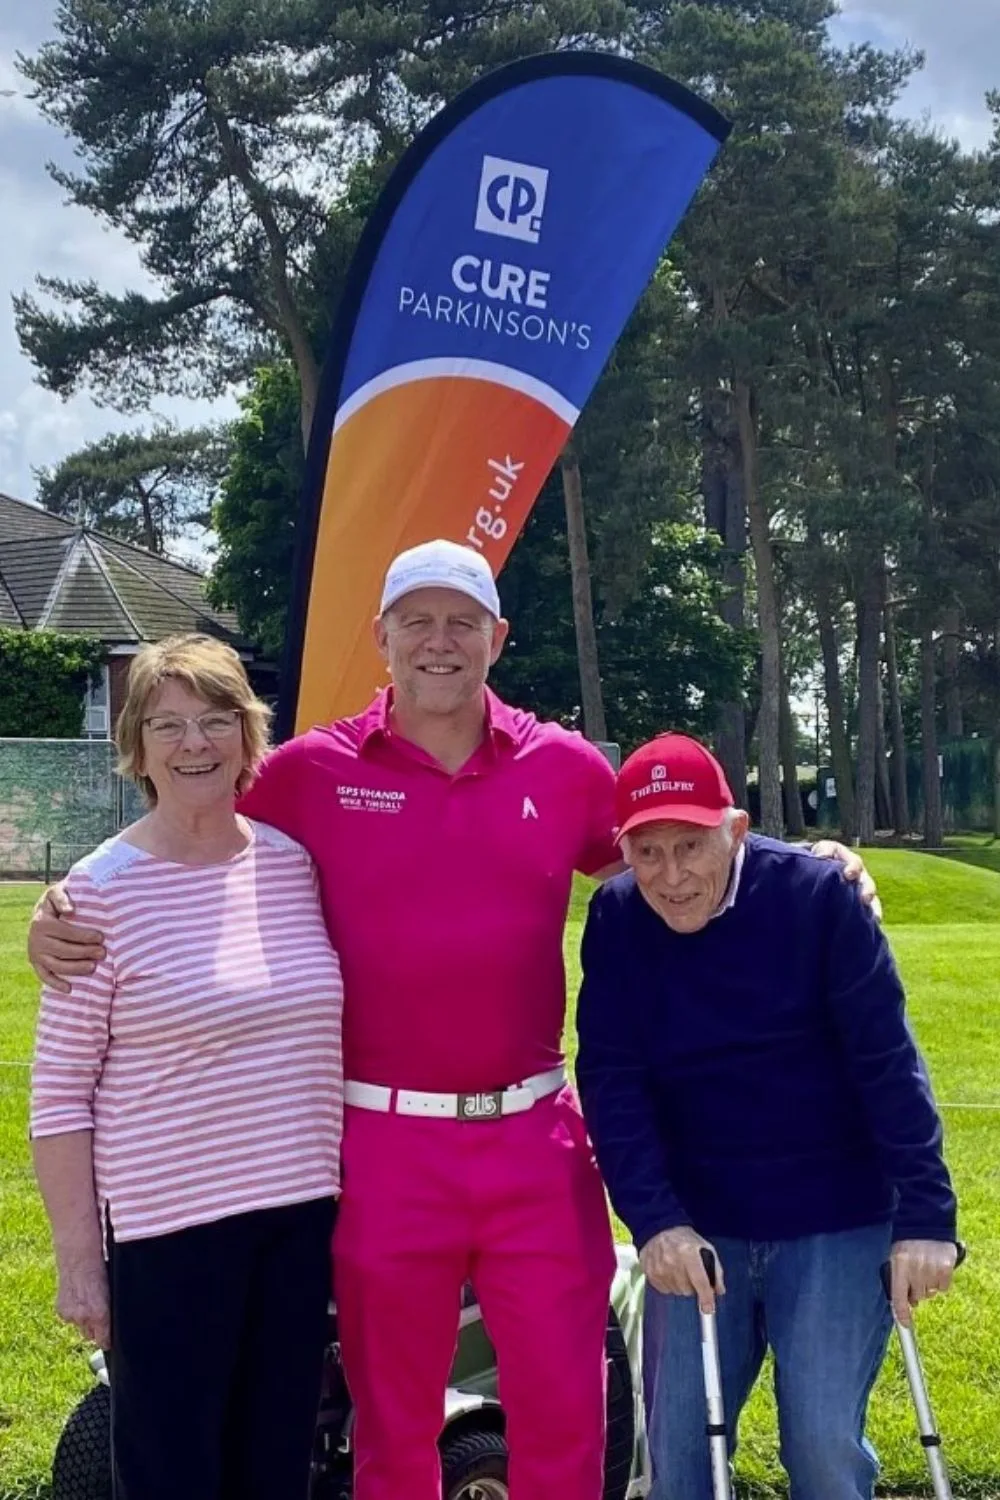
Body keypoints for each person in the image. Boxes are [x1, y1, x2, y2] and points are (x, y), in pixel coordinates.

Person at [28, 541, 877, 1500]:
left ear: (497, 638)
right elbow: (187, 815)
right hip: (383, 1149)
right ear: (381, 636)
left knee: (566, 1418)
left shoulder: (559, 766)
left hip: (535, 1141)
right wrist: (61, 904)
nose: (440, 642)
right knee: (391, 1433)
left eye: (462, 621)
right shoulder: (311, 772)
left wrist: (800, 860)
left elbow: (670, 848)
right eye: (418, 621)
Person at [575, 731, 959, 1500]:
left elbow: (888, 1063)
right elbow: (612, 1079)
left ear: (737, 829)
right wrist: (653, 1220)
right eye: (647, 853)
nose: (672, 876)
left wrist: (927, 1216)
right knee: (679, 1460)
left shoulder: (818, 899)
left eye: (690, 845)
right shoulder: (619, 919)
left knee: (819, 1448)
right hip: (699, 1223)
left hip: (835, 1213)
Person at [30, 635, 344, 1500]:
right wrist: (79, 1262)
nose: (194, 744)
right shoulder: (96, 895)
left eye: (215, 721)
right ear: (136, 747)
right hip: (170, 1233)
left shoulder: (293, 867)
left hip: (297, 1221)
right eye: (167, 726)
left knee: (277, 1462)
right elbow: (59, 1097)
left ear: (249, 738)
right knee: (173, 1473)